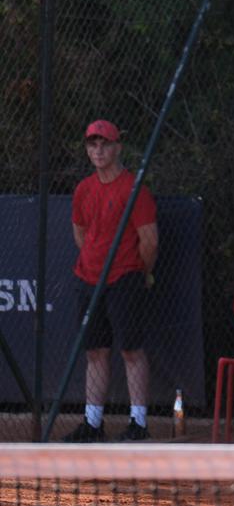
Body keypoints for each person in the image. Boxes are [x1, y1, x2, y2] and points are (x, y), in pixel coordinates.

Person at [63, 120, 158, 442]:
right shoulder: (84, 189)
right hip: (88, 279)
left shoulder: (135, 189)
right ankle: (92, 423)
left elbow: (149, 240)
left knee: (131, 351)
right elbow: (80, 233)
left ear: (118, 148)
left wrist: (139, 272)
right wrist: (94, 261)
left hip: (125, 278)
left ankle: (138, 423)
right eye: (92, 144)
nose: (98, 150)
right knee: (95, 352)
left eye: (105, 144)